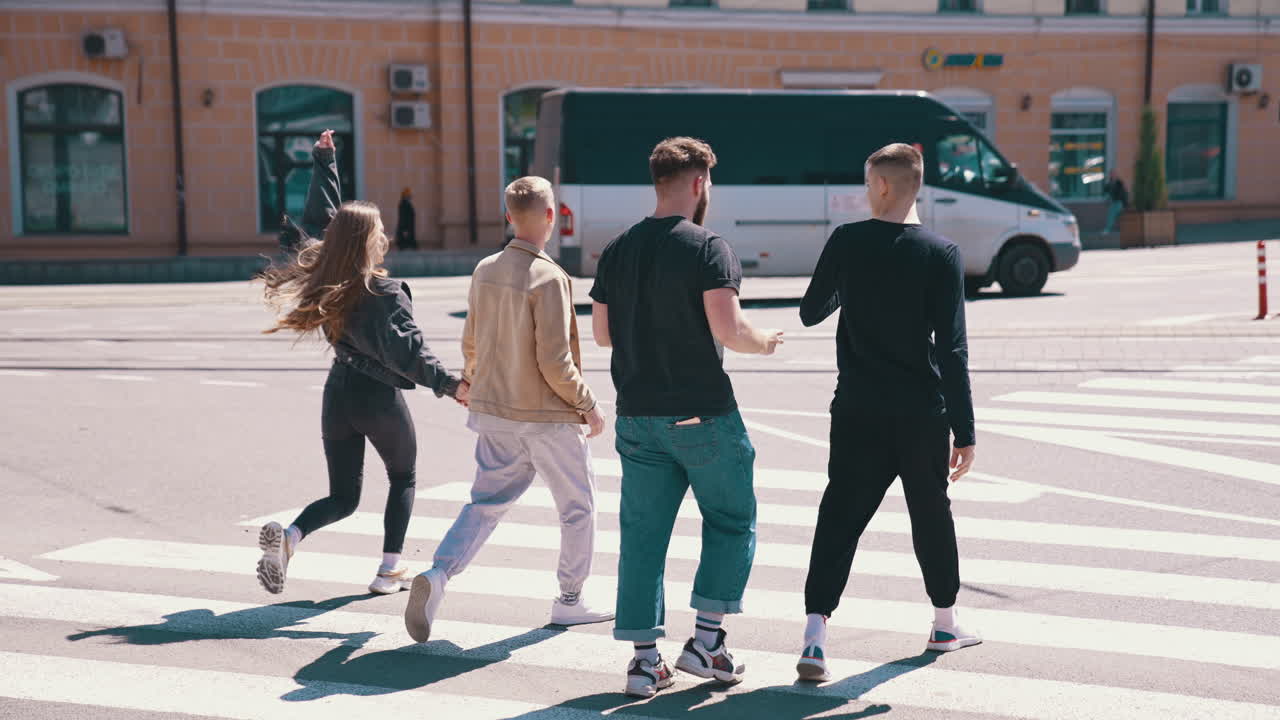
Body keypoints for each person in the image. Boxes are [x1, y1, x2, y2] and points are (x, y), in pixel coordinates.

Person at [590, 137, 783, 698]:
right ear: (699, 182)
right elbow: (729, 329)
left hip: (636, 415)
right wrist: (764, 342)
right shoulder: (709, 247)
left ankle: (644, 663)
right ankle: (706, 642)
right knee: (731, 520)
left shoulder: (618, 248)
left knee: (643, 538)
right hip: (701, 413)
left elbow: (602, 335)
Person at [795, 143, 980, 684]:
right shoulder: (942, 253)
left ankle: (815, 634)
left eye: (866, 181)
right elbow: (953, 350)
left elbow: (810, 312)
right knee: (930, 513)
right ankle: (944, 623)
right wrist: (965, 431)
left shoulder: (846, 241)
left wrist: (851, 287)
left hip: (857, 407)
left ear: (880, 185)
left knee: (840, 516)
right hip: (921, 412)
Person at [404, 176, 613, 643]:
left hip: (494, 411)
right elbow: (555, 361)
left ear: (507, 217)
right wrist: (589, 405)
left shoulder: (484, 269)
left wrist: (470, 382)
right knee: (577, 509)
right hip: (546, 418)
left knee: (485, 504)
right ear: (550, 216)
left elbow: (472, 341)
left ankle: (439, 573)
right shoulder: (549, 276)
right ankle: (570, 600)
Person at [256, 130, 464, 597]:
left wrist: (325, 162)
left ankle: (291, 536)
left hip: (338, 395)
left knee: (343, 496)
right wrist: (450, 384)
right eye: (379, 230)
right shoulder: (383, 292)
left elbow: (324, 223)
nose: (385, 235)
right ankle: (389, 571)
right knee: (403, 476)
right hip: (377, 399)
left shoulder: (330, 279)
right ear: (368, 241)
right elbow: (409, 352)